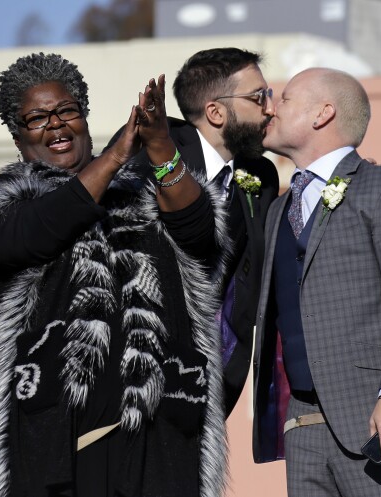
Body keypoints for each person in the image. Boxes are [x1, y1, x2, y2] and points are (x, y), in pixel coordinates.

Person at [0, 52, 230, 497]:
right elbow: (41, 232)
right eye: (37, 117)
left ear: (84, 115)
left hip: (163, 436)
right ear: (16, 133)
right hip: (58, 441)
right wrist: (117, 155)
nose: (56, 126)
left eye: (66, 111)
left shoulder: (141, 196)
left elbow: (198, 233)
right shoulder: (5, 206)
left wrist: (159, 147)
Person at [251, 67, 381, 497]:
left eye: (286, 98)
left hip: (378, 421)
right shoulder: (276, 211)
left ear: (322, 113)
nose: (271, 108)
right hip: (304, 425)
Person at [109, 47, 279, 416]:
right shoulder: (151, 151)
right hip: (138, 377)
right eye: (258, 97)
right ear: (216, 112)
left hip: (217, 380)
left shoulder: (262, 175)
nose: (271, 107)